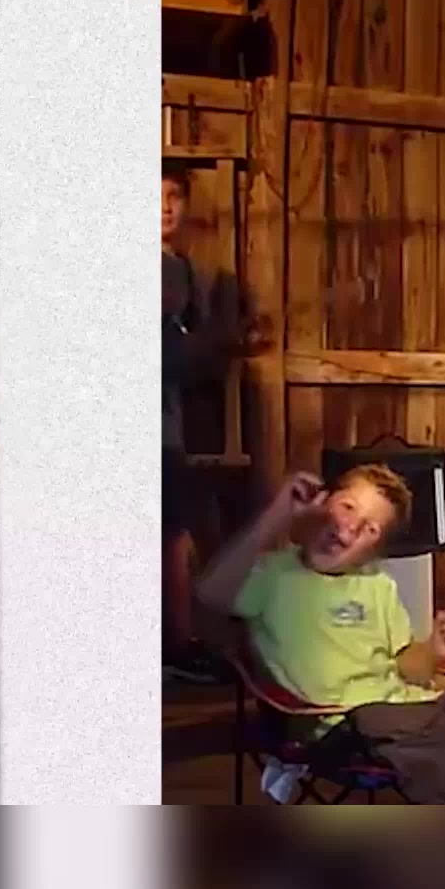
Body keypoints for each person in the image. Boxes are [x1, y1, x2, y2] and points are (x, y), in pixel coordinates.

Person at [195, 463, 445, 805]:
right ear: (322, 502)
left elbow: (408, 668)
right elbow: (208, 593)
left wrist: (435, 650)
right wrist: (278, 513)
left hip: (405, 707)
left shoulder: (377, 585)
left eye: (371, 528)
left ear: (373, 551)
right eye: (348, 507)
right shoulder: (273, 575)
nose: (352, 528)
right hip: (336, 723)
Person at [162, 163, 255, 685]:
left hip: (168, 423)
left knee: (173, 532)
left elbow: (187, 357)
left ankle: (178, 645)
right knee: (167, 535)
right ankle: (174, 646)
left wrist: (224, 343)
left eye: (174, 195)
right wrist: (213, 344)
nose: (165, 207)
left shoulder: (185, 272)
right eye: (153, 196)